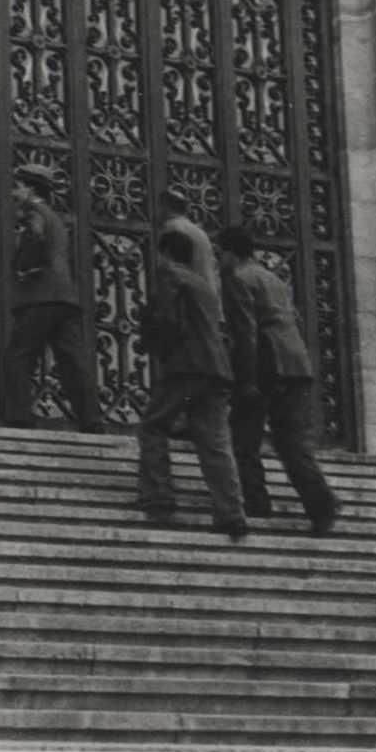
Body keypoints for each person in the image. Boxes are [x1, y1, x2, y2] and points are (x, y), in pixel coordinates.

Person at [218, 226, 341, 537]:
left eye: (220, 254)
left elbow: (245, 332)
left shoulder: (237, 279)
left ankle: (257, 500)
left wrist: (245, 380)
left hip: (267, 365)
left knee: (244, 437)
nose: (218, 260)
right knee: (291, 442)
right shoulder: (272, 278)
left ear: (230, 253)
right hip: (296, 362)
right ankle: (321, 503)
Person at [137, 230, 248, 541]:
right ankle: (231, 513)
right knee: (215, 444)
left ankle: (159, 497)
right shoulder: (204, 284)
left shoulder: (168, 273)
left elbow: (167, 318)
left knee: (153, 427)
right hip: (215, 370)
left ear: (166, 253)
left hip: (186, 366)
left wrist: (158, 345)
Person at [0, 164, 102, 433]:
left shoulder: (33, 211)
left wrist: (26, 267)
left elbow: (35, 236)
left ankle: (19, 416)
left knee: (19, 355)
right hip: (64, 297)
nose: (13, 192)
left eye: (18, 186)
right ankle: (91, 419)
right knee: (72, 361)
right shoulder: (56, 217)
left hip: (40, 296)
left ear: (31, 188)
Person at [160, 188, 222, 321]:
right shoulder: (199, 232)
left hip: (187, 297)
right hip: (207, 294)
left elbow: (172, 265)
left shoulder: (173, 227)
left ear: (166, 206)